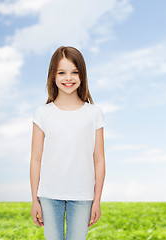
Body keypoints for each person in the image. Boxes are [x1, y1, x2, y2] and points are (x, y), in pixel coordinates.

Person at [30, 46, 106, 240]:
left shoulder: (94, 113)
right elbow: (36, 159)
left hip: (83, 196)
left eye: (74, 72)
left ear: (82, 76)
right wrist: (34, 200)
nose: (68, 78)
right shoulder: (43, 113)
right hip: (49, 194)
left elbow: (99, 159)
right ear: (53, 76)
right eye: (61, 72)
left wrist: (97, 200)